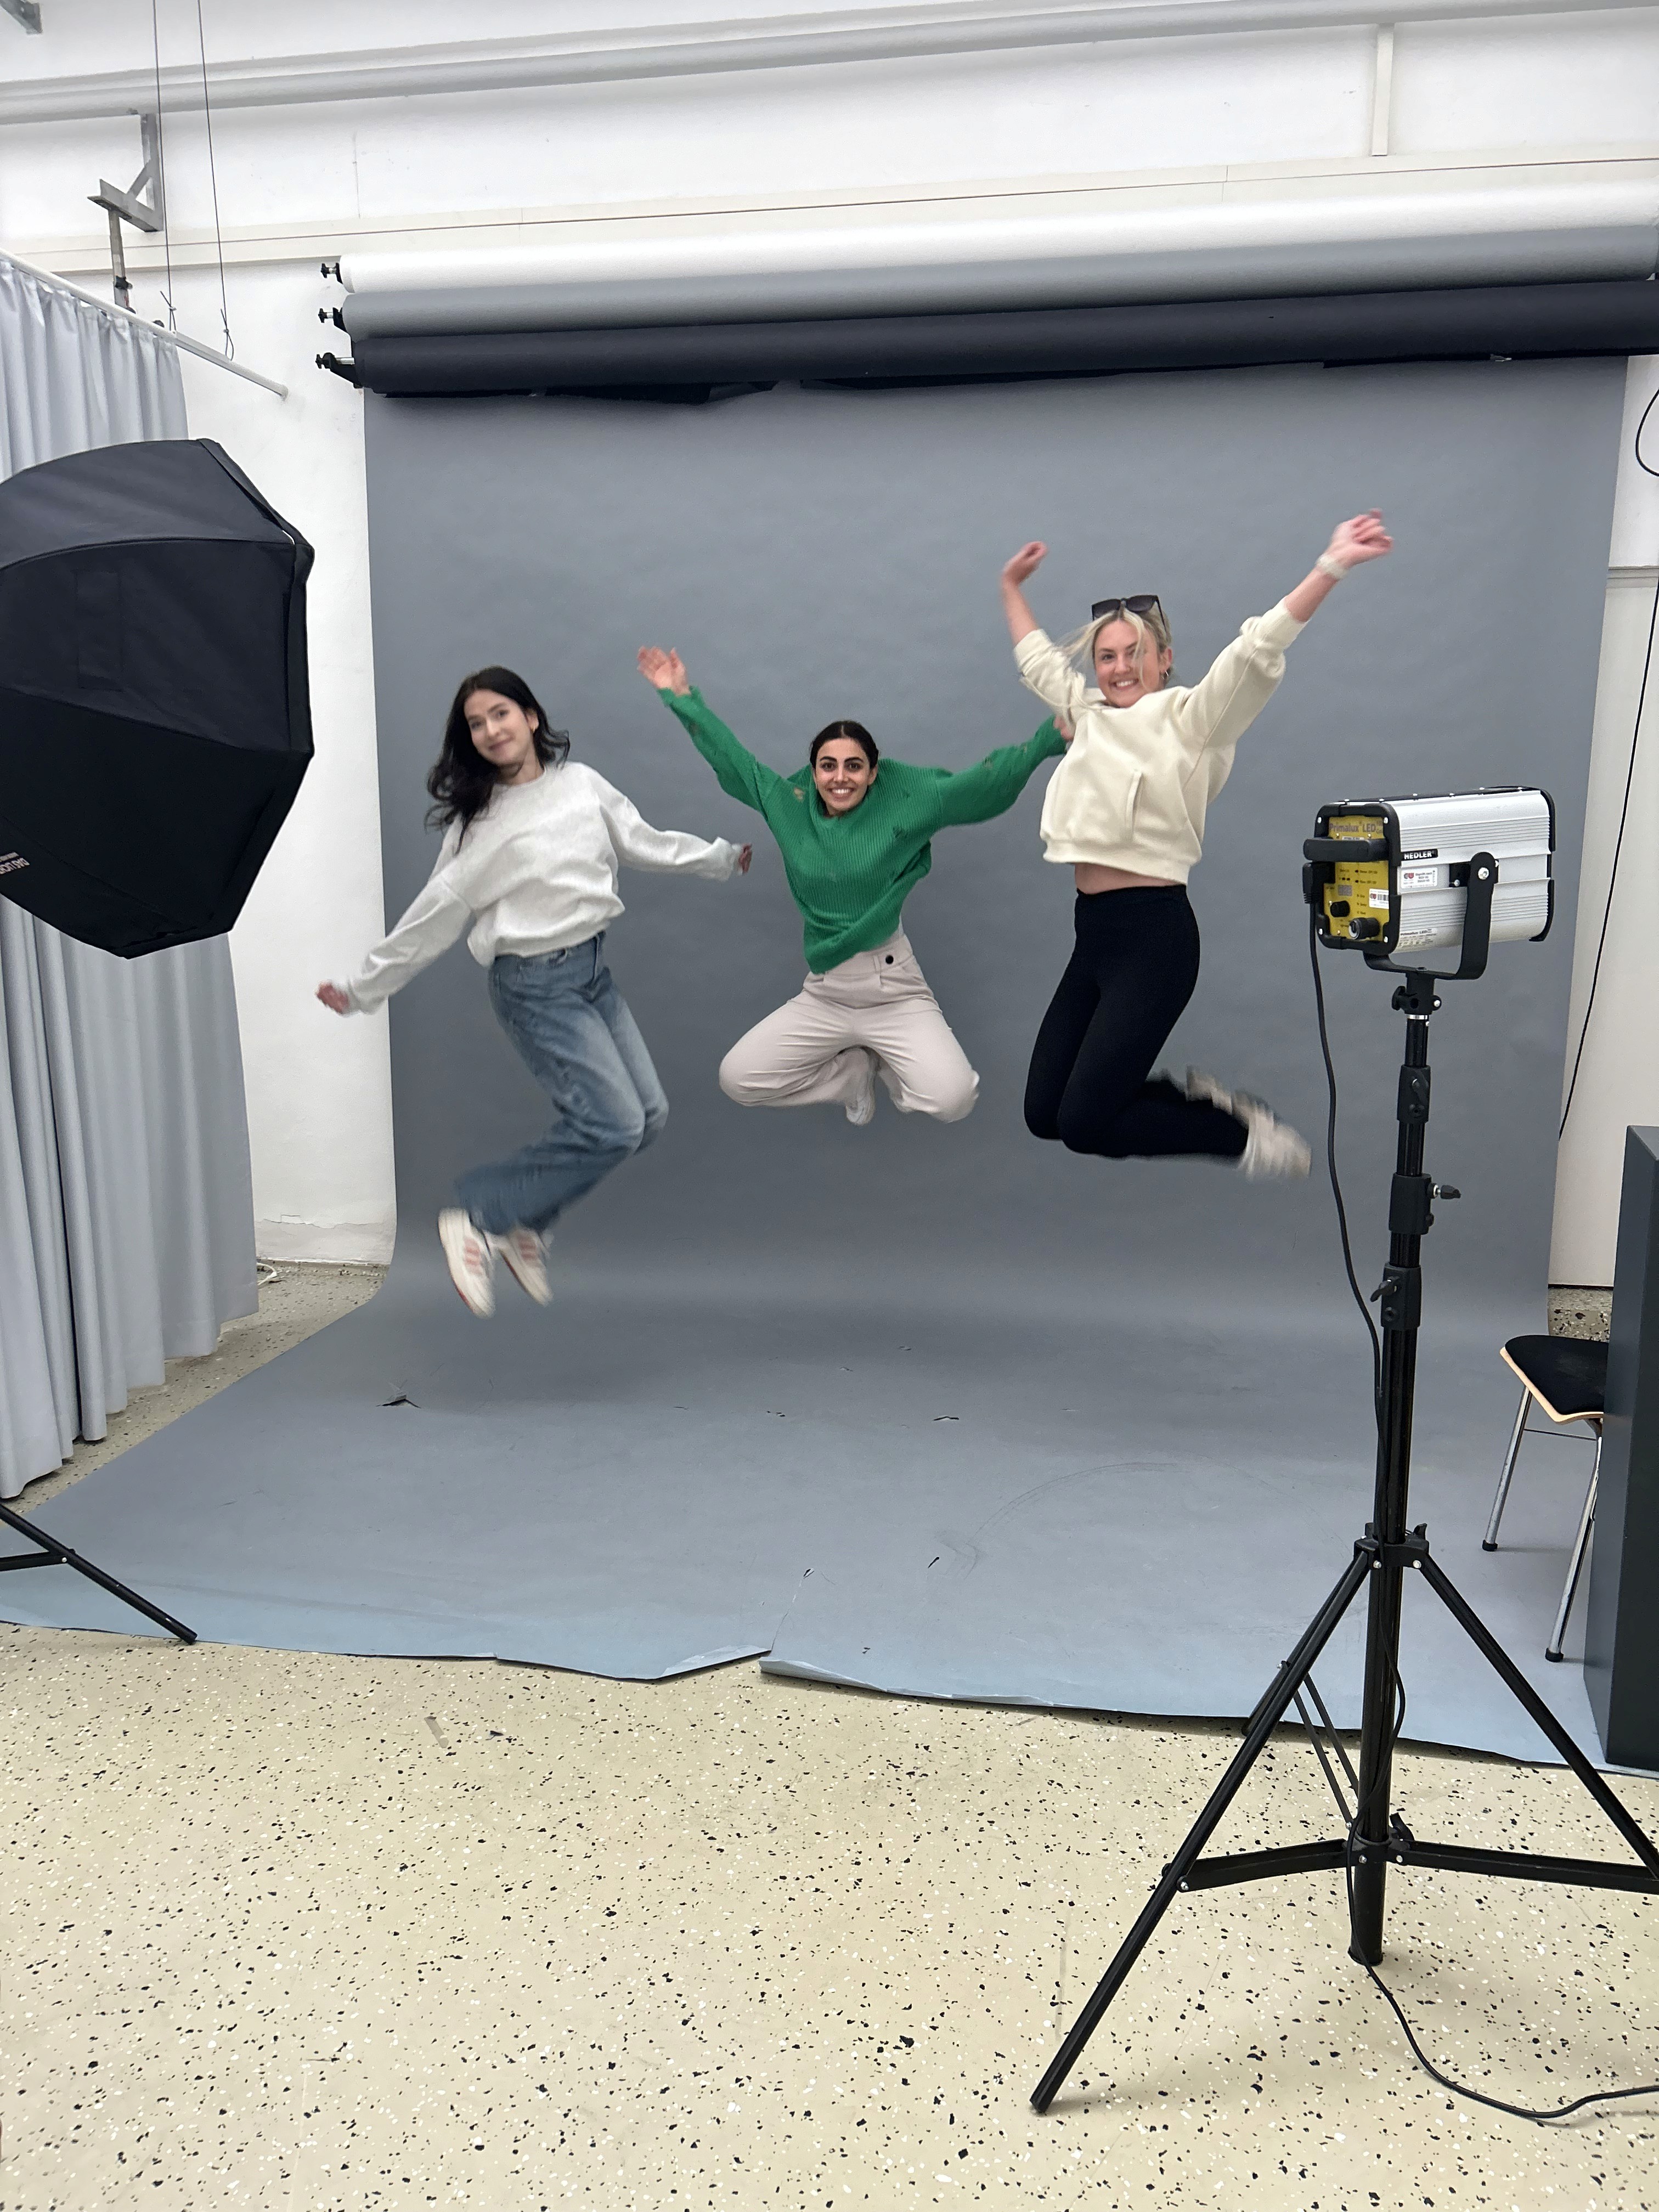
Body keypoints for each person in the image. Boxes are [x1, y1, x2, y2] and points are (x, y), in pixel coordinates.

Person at [316, 665, 751, 1318]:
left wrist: (717, 859)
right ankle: (480, 1218)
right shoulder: (480, 824)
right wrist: (362, 988)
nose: (491, 730)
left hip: (592, 973)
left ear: (532, 717)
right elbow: (431, 918)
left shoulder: (582, 785)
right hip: (534, 984)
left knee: (647, 1119)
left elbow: (640, 841)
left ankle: (525, 1227)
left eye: (501, 714)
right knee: (613, 1125)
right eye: (476, 723)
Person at [1000, 511, 1393, 1177]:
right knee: (1045, 1113)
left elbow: (1257, 651)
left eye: (1134, 654)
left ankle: (1235, 1135)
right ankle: (1191, 1099)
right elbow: (1038, 661)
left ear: (1164, 659)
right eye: (1107, 656)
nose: (1120, 668)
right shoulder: (1087, 716)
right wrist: (1011, 585)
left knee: (1085, 1123)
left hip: (1154, 940)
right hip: (1093, 935)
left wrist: (1330, 566)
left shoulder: (1193, 721)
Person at [636, 646, 1067, 1126]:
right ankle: (851, 1077)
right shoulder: (790, 805)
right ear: (814, 770)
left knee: (954, 1100)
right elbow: (731, 758)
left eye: (854, 766)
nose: (840, 777)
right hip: (827, 991)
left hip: (893, 985)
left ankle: (887, 1062)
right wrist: (681, 698)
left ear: (873, 772)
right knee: (739, 1078)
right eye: (828, 765)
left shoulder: (909, 805)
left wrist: (1050, 738)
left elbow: (984, 783)